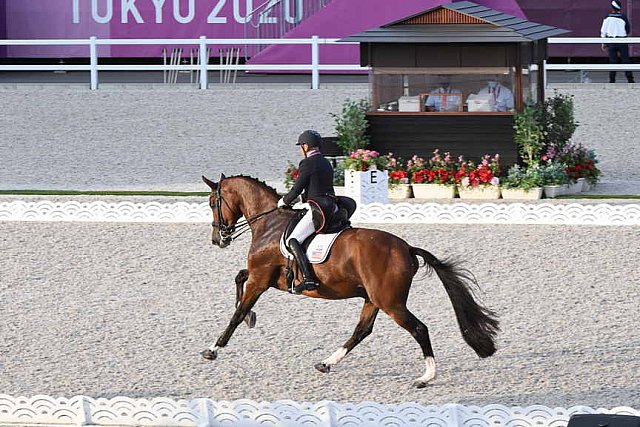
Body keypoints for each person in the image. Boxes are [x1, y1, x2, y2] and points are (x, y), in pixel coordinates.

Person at [277, 130, 336, 294]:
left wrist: (284, 201)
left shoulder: (308, 163)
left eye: (300, 146)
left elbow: (297, 188)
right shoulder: (325, 162)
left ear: (305, 146)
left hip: (318, 207)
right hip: (332, 204)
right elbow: (316, 186)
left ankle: (309, 279)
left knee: (292, 240)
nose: (299, 149)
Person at [601, 0, 635, 83]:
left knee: (612, 61)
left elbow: (603, 30)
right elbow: (628, 30)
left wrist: (603, 42)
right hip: (622, 41)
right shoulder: (623, 17)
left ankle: (612, 80)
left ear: (612, 7)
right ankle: (630, 80)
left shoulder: (607, 17)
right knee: (626, 60)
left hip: (611, 41)